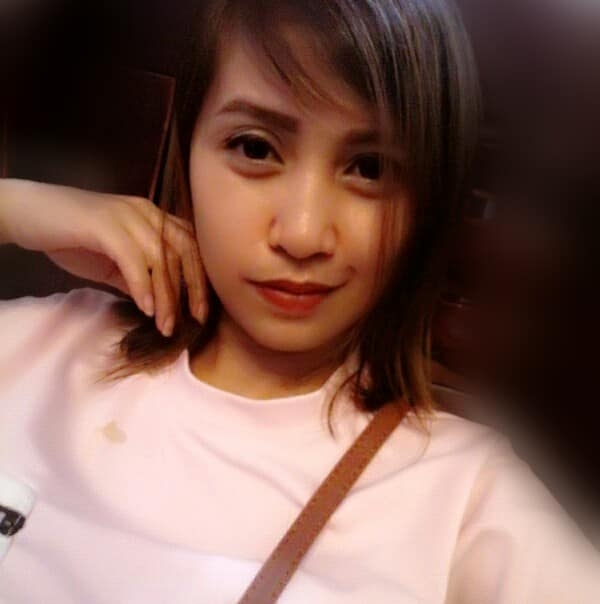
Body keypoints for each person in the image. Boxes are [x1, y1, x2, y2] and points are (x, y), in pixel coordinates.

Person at [0, 0, 598, 602]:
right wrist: (18, 208)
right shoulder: (41, 345)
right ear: (189, 151)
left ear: (426, 203)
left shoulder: (466, 497)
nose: (304, 234)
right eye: (255, 148)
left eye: (370, 168)